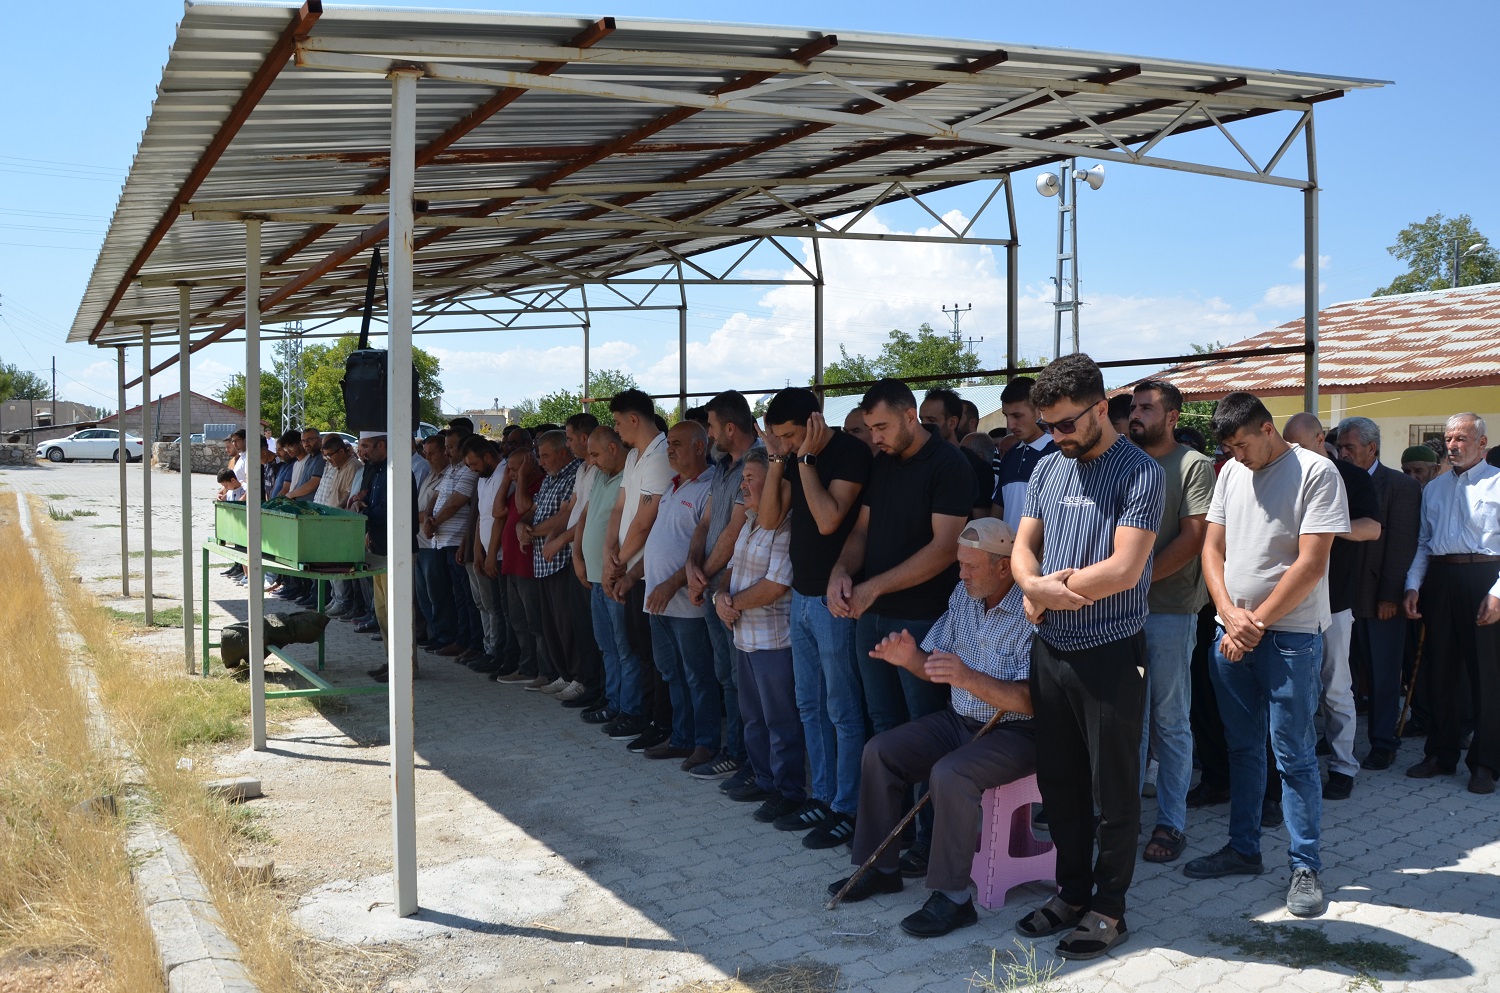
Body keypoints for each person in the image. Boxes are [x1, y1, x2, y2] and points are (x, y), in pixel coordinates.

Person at [1011, 353, 1162, 959]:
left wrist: (1049, 591)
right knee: (1061, 785)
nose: (1057, 435)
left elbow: (1126, 571)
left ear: (1102, 408)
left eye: (1067, 423)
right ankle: (1070, 893)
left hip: (1111, 653)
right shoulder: (1049, 467)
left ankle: (1110, 908)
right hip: (1050, 650)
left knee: (1114, 788)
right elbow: (1023, 544)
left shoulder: (1140, 474)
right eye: (1049, 425)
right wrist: (1030, 585)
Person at [830, 519, 1036, 939]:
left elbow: (1035, 700)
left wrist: (969, 679)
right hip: (959, 720)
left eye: (970, 567)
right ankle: (881, 867)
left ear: (1003, 568)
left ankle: (953, 899)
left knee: (950, 773)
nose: (960, 574)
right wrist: (910, 659)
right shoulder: (963, 595)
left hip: (1018, 733)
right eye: (960, 564)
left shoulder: (1032, 607)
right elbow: (940, 667)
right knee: (880, 750)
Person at [1184, 392, 1348, 920]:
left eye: (1243, 444)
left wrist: (1253, 623)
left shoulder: (1316, 472)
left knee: (1295, 755)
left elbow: (1311, 562)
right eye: (1229, 448)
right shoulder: (1231, 472)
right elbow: (1212, 549)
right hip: (1231, 632)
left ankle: (1305, 866)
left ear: (1268, 428)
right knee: (1242, 749)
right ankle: (1243, 848)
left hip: (1291, 637)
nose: (1238, 456)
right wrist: (1229, 612)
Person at [829, 378, 972, 855]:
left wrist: (872, 585)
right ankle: (890, 838)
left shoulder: (949, 464)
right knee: (883, 727)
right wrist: (841, 572)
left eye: (883, 426)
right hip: (872, 615)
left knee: (925, 730)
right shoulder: (884, 465)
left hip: (924, 621)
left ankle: (932, 841)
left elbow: (945, 548)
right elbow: (862, 530)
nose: (876, 438)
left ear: (911, 416)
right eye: (870, 429)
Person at [759, 388, 873, 835]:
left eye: (790, 435)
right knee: (810, 704)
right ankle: (822, 796)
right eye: (779, 438)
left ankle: (846, 806)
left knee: (842, 707)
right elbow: (769, 519)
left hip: (835, 602)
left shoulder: (850, 454)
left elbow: (828, 519)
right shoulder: (787, 457)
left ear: (813, 421)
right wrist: (777, 461)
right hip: (801, 596)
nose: (785, 444)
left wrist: (804, 462)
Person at [1127, 380, 1213, 863]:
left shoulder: (1193, 465)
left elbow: (1193, 538)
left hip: (1169, 611)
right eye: (1134, 407)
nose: (1135, 414)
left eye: (1146, 408)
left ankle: (1171, 823)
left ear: (1173, 416)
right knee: (1129, 720)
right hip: (1120, 611)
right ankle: (1124, 820)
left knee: (1170, 721)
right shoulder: (1125, 462)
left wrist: (1134, 581)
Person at [1282, 413, 1381, 801]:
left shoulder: (1351, 477)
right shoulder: (1282, 475)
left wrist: (1326, 524)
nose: (1293, 454)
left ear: (1322, 439)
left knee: (1336, 688)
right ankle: (1300, 764)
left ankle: (1343, 766)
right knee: (1297, 692)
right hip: (1291, 599)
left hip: (1335, 600)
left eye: (1300, 446)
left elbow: (1372, 528)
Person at [1403, 413, 1500, 794]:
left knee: (1486, 675)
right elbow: (1424, 543)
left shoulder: (1497, 484)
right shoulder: (1435, 489)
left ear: (1482, 443)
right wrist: (1413, 585)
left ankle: (1485, 762)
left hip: (1484, 578)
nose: (1453, 445)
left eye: (1461, 438)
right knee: (1440, 670)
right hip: (1441, 580)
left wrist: (1497, 593)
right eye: (1448, 438)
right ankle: (1440, 754)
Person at [718, 448, 804, 822]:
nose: (744, 486)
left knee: (780, 720)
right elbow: (732, 567)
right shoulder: (751, 522)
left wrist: (731, 601)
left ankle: (789, 790)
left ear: (775, 485)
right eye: (744, 478)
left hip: (774, 642)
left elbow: (776, 586)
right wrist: (722, 596)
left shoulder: (788, 527)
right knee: (753, 716)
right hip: (746, 638)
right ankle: (764, 778)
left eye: (752, 478)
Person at [1335, 416, 1421, 772]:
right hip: (1340, 597)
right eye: (1339, 447)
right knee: (1343, 675)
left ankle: (1383, 742)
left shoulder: (1400, 486)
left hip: (1379, 598)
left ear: (1372, 448)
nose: (1342, 453)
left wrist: (1390, 595)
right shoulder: (1333, 479)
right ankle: (1339, 739)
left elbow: (1401, 544)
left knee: (1384, 675)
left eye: (1349, 448)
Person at [687, 391, 758, 776]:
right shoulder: (724, 467)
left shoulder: (756, 465)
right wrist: (691, 563)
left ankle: (745, 756)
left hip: (733, 588)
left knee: (739, 677)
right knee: (725, 674)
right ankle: (736, 751)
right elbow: (705, 522)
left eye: (712, 427)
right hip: (714, 586)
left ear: (730, 428)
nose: (709, 434)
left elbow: (735, 528)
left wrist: (705, 577)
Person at [643, 422, 720, 766]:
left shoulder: (711, 486)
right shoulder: (673, 486)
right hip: (658, 603)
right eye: (668, 444)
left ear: (700, 446)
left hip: (687, 604)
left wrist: (672, 583)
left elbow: (706, 550)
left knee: (698, 675)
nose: (669, 450)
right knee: (672, 672)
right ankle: (682, 737)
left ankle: (705, 742)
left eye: (676, 444)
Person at [603, 390, 674, 751]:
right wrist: (610, 553)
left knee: (655, 655)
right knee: (638, 647)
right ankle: (646, 715)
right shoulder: (634, 457)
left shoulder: (661, 456)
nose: (616, 430)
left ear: (633, 419)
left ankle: (661, 721)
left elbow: (646, 520)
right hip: (629, 568)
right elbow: (620, 509)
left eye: (617, 422)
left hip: (649, 572)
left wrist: (618, 563)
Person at [572, 426, 641, 726]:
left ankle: (630, 709)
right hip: (596, 577)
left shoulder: (632, 474)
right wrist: (577, 555)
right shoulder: (601, 474)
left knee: (625, 648)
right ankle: (614, 703)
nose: (592, 461)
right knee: (607, 646)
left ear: (613, 449)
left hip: (616, 576)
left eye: (596, 454)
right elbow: (585, 515)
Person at [523, 430, 598, 701]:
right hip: (546, 558)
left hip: (565, 559)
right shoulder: (560, 476)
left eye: (545, 455)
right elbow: (566, 511)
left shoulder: (575, 471)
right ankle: (565, 674)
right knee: (552, 624)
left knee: (571, 625)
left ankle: (581, 678)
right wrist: (529, 528)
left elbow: (572, 516)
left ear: (562, 453)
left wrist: (545, 536)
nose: (540, 461)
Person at [460, 434, 514, 681]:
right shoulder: (483, 478)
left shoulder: (505, 473)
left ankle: (502, 655)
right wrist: (478, 552)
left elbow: (499, 516)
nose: (472, 469)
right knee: (490, 605)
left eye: (474, 464)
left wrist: (491, 554)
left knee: (502, 609)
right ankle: (492, 651)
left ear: (488, 456)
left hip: (502, 554)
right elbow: (482, 515)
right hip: (487, 552)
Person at [990, 377, 1057, 533]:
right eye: (1006, 416)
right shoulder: (1010, 455)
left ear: (1039, 410)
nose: (1010, 425)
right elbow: (997, 511)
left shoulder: (1060, 454)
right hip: (1009, 555)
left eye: (1017, 416)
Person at [918, 388, 990, 519]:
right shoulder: (916, 462)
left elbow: (981, 527)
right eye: (921, 419)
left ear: (952, 423)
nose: (924, 425)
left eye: (931, 420)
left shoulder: (977, 467)